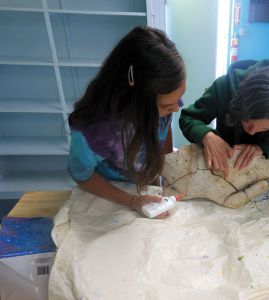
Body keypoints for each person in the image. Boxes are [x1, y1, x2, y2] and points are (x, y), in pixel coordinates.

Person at [67, 26, 186, 218]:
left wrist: (165, 172)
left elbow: (164, 131)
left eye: (177, 100)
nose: (176, 109)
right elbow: (82, 176)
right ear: (137, 99)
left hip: (146, 184)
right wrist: (131, 200)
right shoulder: (92, 133)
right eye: (167, 105)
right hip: (110, 193)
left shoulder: (165, 99)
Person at [179, 59, 269, 177]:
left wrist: (265, 150)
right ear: (238, 104)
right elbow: (188, 118)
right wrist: (207, 135)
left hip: (268, 176)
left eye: (264, 128)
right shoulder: (224, 87)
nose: (251, 132)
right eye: (247, 122)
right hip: (223, 170)